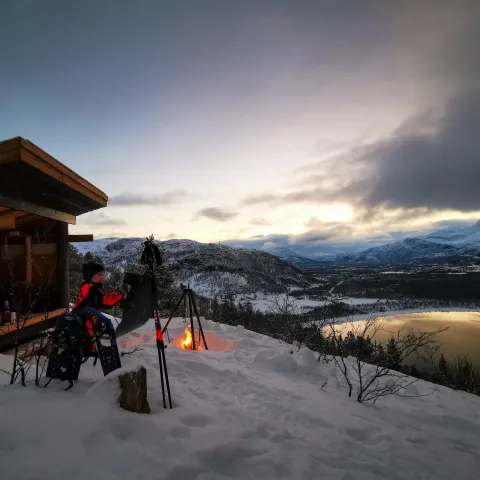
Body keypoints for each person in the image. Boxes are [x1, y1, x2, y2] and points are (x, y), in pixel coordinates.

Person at [72, 261, 130, 348]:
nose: (102, 277)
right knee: (85, 345)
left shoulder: (88, 286)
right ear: (90, 276)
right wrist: (119, 293)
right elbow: (105, 301)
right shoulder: (92, 288)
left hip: (84, 320)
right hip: (85, 322)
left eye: (103, 275)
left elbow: (101, 304)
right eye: (99, 275)